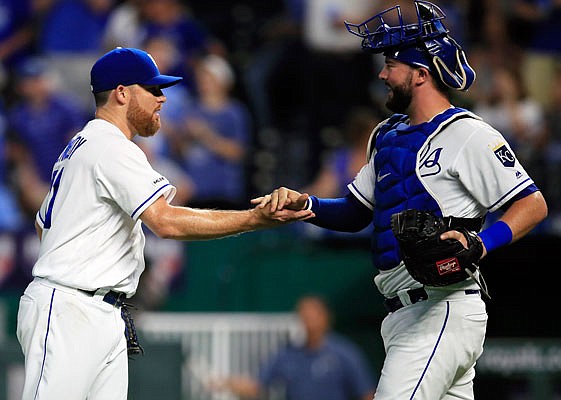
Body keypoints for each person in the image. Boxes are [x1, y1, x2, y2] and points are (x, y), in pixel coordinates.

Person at [253, 2, 548, 399]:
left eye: (392, 65)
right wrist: (307, 206)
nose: (382, 74)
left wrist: (481, 243)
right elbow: (357, 211)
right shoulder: (386, 135)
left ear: (421, 74)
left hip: (442, 306)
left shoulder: (468, 134)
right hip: (401, 315)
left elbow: (532, 204)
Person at [15, 47, 314, 400]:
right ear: (122, 93)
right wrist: (254, 219)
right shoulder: (109, 146)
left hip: (94, 309)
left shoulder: (83, 145)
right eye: (153, 89)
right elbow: (166, 222)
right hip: (71, 308)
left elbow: (42, 225)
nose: (162, 99)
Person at [213, 295, 377, 400]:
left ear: (325, 318)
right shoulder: (287, 354)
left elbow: (366, 393)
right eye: (304, 317)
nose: (308, 323)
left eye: (313, 317)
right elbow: (256, 385)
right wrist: (224, 383)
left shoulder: (345, 353)